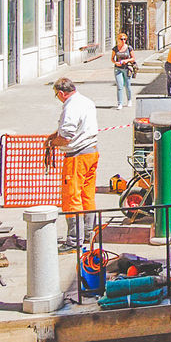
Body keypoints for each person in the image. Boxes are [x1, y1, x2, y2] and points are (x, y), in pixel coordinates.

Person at [47, 78, 99, 250]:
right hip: (91, 151)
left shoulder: (70, 106)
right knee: (87, 194)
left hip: (77, 155)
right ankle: (90, 232)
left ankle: (74, 240)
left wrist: (52, 143)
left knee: (72, 197)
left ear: (61, 93)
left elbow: (67, 135)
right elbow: (78, 126)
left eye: (57, 95)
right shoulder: (86, 101)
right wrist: (55, 134)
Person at [111, 32, 136, 110]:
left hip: (127, 68)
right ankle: (120, 103)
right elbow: (112, 58)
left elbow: (133, 58)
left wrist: (126, 60)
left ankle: (129, 100)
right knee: (119, 86)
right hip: (118, 69)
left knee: (128, 85)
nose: (123, 41)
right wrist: (116, 63)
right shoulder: (115, 48)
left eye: (124, 39)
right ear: (118, 39)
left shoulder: (129, 48)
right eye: (121, 39)